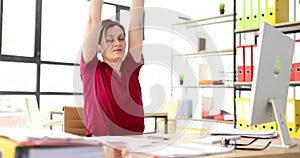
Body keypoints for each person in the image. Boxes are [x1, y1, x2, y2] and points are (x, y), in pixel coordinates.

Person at [80, 0, 145, 136]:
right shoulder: (91, 69)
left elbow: (136, 23)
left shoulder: (131, 67)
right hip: (101, 147)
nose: (117, 43)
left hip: (136, 145)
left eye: (121, 38)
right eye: (110, 40)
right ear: (98, 47)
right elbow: (93, 20)